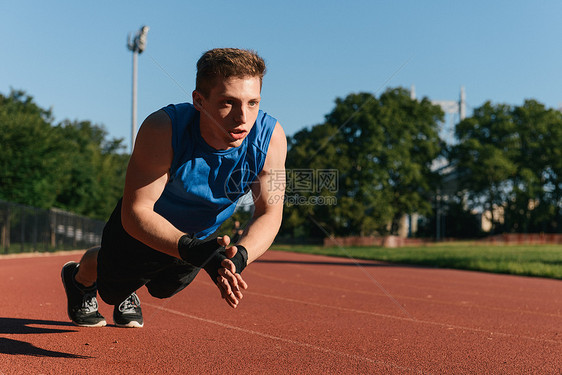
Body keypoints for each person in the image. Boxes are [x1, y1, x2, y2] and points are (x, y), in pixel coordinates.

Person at [61, 48, 286, 328]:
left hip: (198, 236)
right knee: (112, 289)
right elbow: (136, 211)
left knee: (162, 289)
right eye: (228, 102)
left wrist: (238, 257)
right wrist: (188, 249)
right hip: (142, 226)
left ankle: (132, 283)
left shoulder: (270, 138)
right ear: (199, 101)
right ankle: (79, 279)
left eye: (253, 103)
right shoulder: (163, 128)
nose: (243, 117)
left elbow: (269, 211)